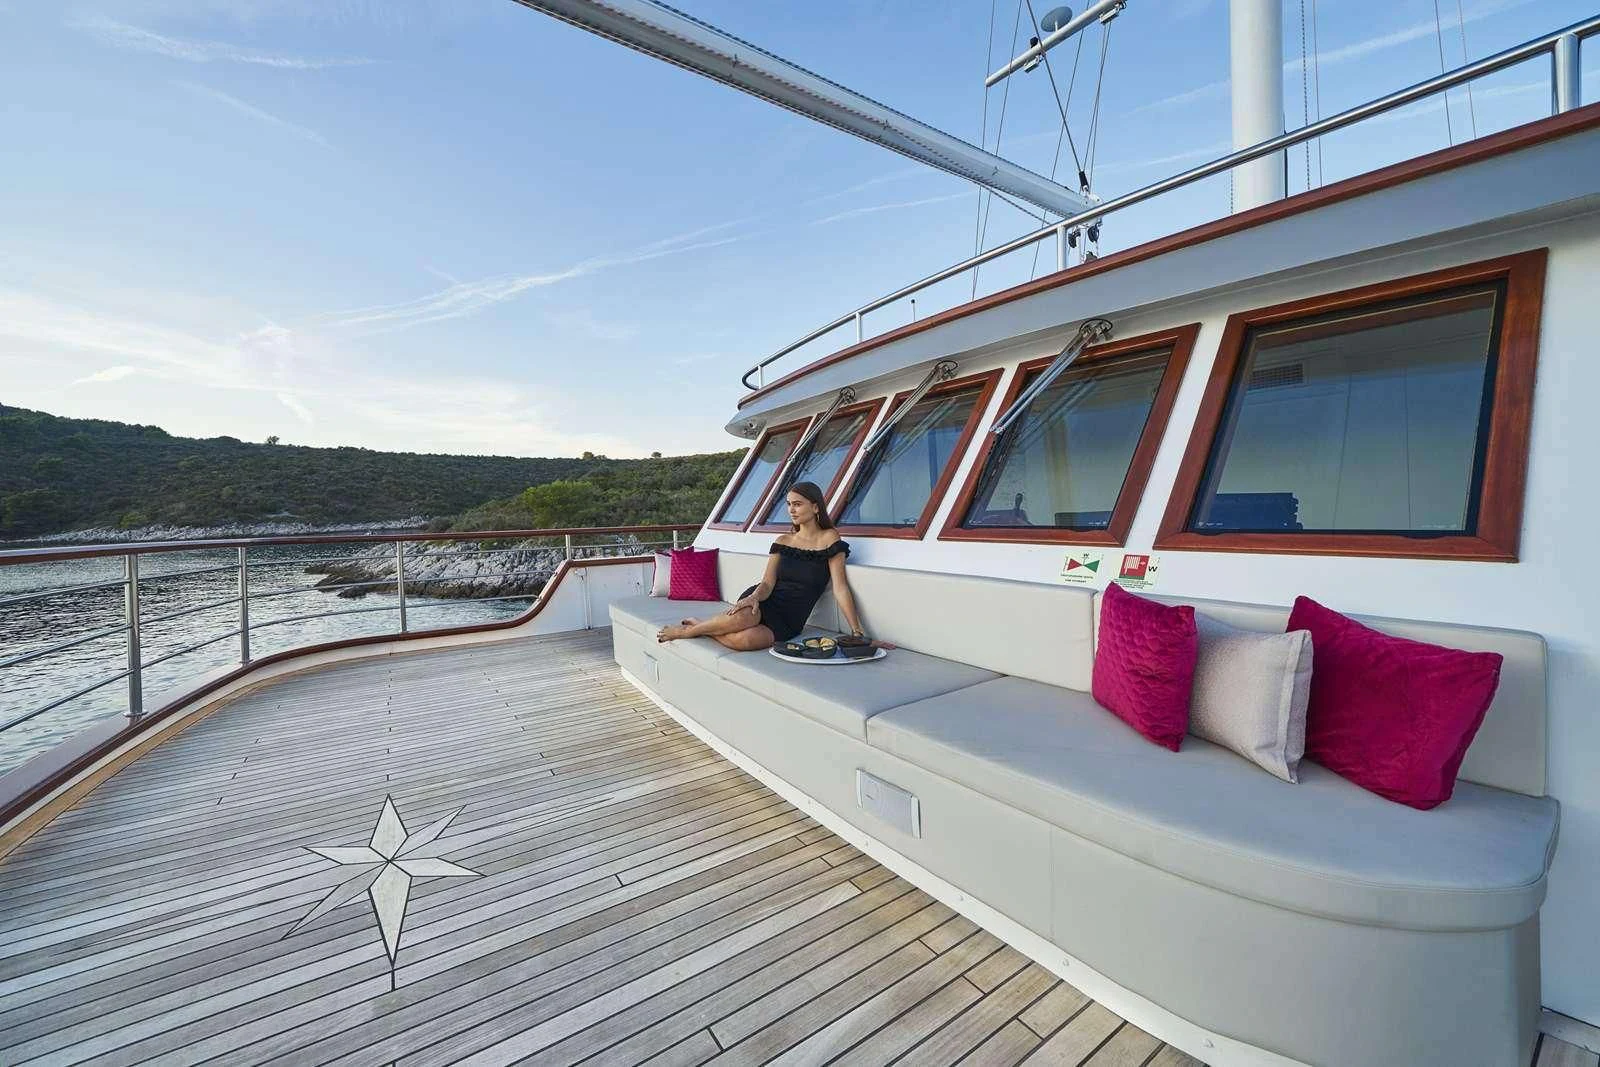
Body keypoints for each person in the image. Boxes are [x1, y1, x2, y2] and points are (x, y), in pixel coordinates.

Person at [657, 481, 872, 651]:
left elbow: (840, 587)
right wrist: (753, 598)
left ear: (815, 507)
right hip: (764, 599)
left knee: (745, 641)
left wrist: (856, 629)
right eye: (788, 504)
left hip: (791, 617)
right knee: (742, 618)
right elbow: (768, 582)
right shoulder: (783, 541)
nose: (791, 510)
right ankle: (686, 632)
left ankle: (699, 626)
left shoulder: (830, 538)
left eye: (797, 504)